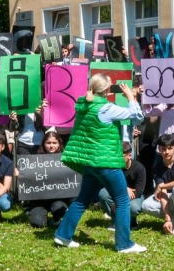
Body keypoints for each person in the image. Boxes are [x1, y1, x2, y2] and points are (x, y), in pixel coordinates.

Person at [53, 73, 146, 253]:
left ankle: (63, 235)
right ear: (106, 90)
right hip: (105, 162)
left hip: (89, 163)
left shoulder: (83, 105)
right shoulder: (106, 108)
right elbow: (137, 115)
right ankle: (124, 244)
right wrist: (131, 97)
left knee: (82, 200)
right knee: (122, 200)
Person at [25, 131, 72, 228]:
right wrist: (21, 173)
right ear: (43, 144)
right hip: (40, 200)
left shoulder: (65, 160)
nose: (51, 146)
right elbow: (29, 178)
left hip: (58, 198)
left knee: (59, 208)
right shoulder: (35, 160)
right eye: (48, 143)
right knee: (38, 223)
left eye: (54, 143)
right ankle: (32, 212)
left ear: (59, 144)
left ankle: (56, 219)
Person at [98, 141, 145, 230]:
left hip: (135, 196)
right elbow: (108, 184)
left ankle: (132, 221)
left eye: (121, 156)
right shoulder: (114, 167)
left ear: (129, 155)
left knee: (134, 207)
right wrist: (124, 190)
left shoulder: (139, 168)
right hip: (120, 193)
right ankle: (116, 220)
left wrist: (120, 199)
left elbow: (139, 191)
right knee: (103, 193)